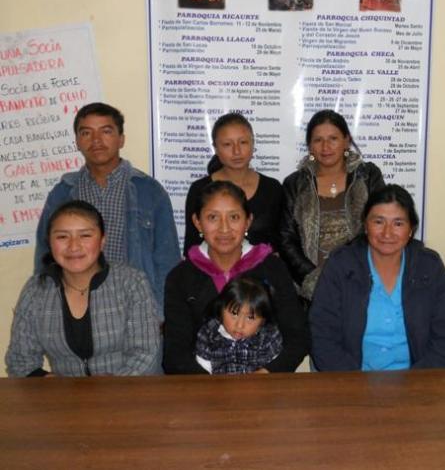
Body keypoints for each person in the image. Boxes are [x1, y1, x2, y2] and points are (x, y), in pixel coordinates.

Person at [34, 102, 180, 313]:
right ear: (77, 141)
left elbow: (167, 260)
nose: (96, 140)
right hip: (76, 309)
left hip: (135, 307)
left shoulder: (150, 192)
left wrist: (161, 314)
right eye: (86, 133)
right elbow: (44, 254)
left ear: (121, 139)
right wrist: (47, 306)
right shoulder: (62, 193)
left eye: (106, 131)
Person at [310, 184, 445, 371]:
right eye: (378, 222)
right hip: (352, 379)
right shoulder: (341, 265)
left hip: (418, 380)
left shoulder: (429, 266)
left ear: (411, 229)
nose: (387, 233)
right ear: (365, 225)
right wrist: (354, 383)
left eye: (398, 223)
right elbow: (322, 336)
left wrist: (416, 382)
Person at [164, 181, 309, 374]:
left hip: (266, 384)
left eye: (234, 217)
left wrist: (267, 374)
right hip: (202, 387)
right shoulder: (180, 277)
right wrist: (211, 386)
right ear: (197, 222)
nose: (224, 228)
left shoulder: (272, 268)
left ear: (248, 221)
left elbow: (298, 337)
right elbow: (175, 354)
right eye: (213, 217)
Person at [6, 200, 161, 377]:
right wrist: (50, 383)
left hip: (128, 390)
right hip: (64, 392)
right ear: (49, 242)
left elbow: (146, 354)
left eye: (85, 235)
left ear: (102, 240)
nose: (74, 246)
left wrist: (105, 390)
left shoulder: (131, 283)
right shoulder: (36, 290)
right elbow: (20, 361)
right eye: (62, 237)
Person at [279, 109, 384, 301]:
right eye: (318, 140)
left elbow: (378, 226)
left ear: (346, 141)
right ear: (310, 146)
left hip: (361, 282)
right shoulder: (295, 183)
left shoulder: (368, 176)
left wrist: (347, 275)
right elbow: (286, 239)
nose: (325, 147)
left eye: (333, 139)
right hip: (309, 291)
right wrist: (315, 280)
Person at [183, 112, 283, 257]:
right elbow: (192, 248)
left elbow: (280, 245)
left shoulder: (272, 189)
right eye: (227, 144)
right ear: (216, 148)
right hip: (212, 269)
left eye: (243, 142)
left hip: (264, 269)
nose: (237, 151)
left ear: (253, 144)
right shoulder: (199, 190)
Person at [195, 276, 283, 374]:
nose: (240, 325)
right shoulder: (208, 335)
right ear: (221, 308)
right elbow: (203, 374)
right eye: (234, 313)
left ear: (262, 321)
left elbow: (276, 370)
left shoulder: (268, 339)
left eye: (250, 318)